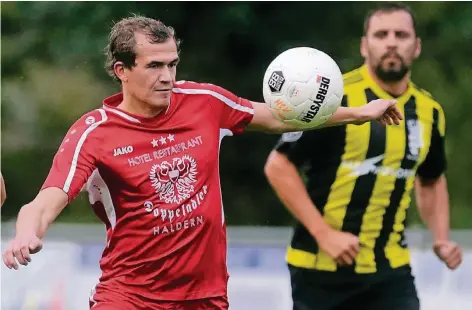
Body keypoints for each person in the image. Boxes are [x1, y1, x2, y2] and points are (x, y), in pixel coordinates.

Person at [2, 15, 401, 310]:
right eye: (154, 66)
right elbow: (46, 200)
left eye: (172, 64)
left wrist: (359, 112)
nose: (168, 77)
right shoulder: (95, 132)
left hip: (206, 296)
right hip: (129, 297)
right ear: (121, 71)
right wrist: (26, 234)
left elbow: (279, 114)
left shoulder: (205, 102)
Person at [264, 2, 463, 310]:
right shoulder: (333, 98)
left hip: (390, 269)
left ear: (417, 46)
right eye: (381, 34)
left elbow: (432, 179)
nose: (392, 42)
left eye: (402, 34)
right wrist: (325, 235)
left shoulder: (430, 112)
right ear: (364, 46)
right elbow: (279, 165)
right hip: (320, 269)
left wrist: (441, 237)